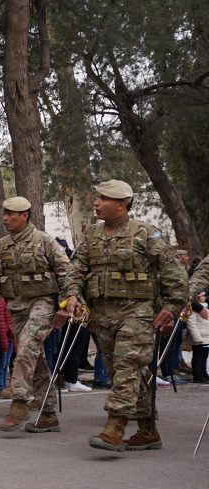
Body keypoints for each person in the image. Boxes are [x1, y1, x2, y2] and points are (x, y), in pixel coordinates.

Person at [60, 180, 188, 452]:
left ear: (122, 204)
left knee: (127, 366)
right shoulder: (92, 235)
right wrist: (72, 295)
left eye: (103, 198)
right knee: (125, 372)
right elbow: (75, 270)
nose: (96, 202)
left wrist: (172, 307)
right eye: (97, 197)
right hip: (102, 316)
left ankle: (115, 427)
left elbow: (174, 273)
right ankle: (148, 431)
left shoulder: (145, 233)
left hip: (138, 314)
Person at [0, 196, 72, 434]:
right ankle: (48, 414)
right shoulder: (2, 245)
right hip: (16, 307)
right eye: (4, 214)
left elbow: (66, 274)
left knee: (27, 347)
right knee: (34, 358)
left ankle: (19, 401)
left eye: (11, 214)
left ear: (25, 216)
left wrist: (65, 305)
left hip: (43, 303)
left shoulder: (45, 241)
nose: (6, 219)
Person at [189, 291, 209, 383]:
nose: (205, 297)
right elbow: (192, 324)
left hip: (206, 338)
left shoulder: (206, 308)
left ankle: (204, 373)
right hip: (199, 338)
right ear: (197, 297)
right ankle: (197, 376)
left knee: (204, 356)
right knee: (198, 357)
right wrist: (197, 338)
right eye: (203, 296)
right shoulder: (193, 310)